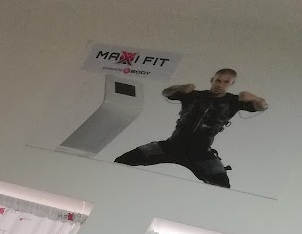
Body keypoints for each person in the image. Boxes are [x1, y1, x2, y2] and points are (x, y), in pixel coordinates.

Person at [113, 69, 267, 188]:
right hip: (173, 145)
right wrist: (181, 87)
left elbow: (262, 107)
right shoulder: (194, 95)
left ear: (231, 84)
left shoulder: (233, 101)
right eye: (218, 80)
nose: (220, 85)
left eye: (226, 82)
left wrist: (255, 98)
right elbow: (166, 93)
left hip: (200, 152)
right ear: (212, 80)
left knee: (222, 186)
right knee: (121, 161)